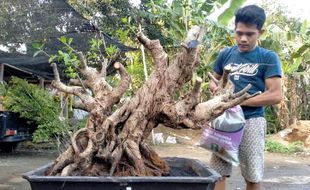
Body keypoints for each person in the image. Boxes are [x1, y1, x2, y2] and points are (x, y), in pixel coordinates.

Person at [208, 5, 283, 190]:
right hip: (224, 121)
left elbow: (275, 95)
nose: (243, 38)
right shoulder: (225, 54)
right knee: (218, 172)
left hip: (252, 121)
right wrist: (215, 88)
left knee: (252, 174)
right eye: (239, 32)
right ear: (234, 29)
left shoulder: (268, 57)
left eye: (250, 34)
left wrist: (238, 101)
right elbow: (213, 79)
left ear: (261, 32)